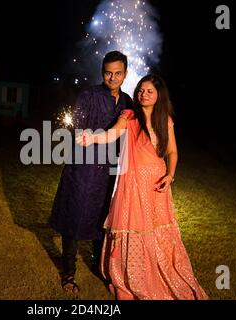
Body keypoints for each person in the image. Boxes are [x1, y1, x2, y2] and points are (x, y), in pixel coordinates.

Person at [77, 74, 208, 300]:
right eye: (140, 91)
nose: (143, 95)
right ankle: (132, 274)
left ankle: (159, 269)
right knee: (133, 227)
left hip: (155, 183)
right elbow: (112, 134)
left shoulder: (164, 120)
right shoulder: (129, 116)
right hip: (132, 182)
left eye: (149, 91)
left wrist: (170, 175)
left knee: (155, 228)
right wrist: (92, 139)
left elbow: (173, 152)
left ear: (159, 95)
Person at [48, 51, 133, 293]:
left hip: (111, 170)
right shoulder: (88, 95)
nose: (112, 77)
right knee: (75, 216)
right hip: (84, 166)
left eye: (118, 73)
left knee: (102, 218)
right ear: (102, 72)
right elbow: (77, 128)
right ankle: (68, 273)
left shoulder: (127, 101)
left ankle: (99, 267)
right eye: (108, 72)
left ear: (125, 74)